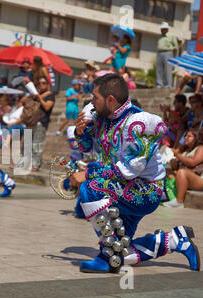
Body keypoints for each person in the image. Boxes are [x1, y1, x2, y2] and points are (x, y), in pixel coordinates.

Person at [69, 73, 199, 273]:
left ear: (110, 100)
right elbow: (87, 148)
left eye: (95, 97)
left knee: (90, 188)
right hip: (121, 188)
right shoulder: (103, 117)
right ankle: (174, 240)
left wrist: (88, 174)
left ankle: (106, 255)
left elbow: (128, 170)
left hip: (145, 191)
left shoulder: (139, 123)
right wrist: (80, 133)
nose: (91, 101)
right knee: (122, 255)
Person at [21, 75, 55, 172]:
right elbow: (22, 101)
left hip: (41, 122)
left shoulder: (50, 95)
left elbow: (47, 107)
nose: (41, 85)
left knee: (37, 144)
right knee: (26, 144)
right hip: (31, 121)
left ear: (48, 85)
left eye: (43, 83)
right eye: (39, 83)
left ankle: (35, 165)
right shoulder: (34, 95)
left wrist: (39, 97)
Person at [162, 129, 203, 208]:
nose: (186, 138)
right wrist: (172, 159)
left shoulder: (201, 148)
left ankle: (179, 201)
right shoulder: (185, 150)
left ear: (196, 138)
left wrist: (177, 154)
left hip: (199, 179)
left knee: (182, 172)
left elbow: (192, 162)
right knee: (166, 171)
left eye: (189, 136)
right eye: (185, 136)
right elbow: (175, 167)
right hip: (185, 177)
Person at [156, 22, 179, 89]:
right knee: (159, 69)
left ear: (167, 29)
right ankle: (159, 84)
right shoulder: (159, 36)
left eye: (164, 29)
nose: (162, 30)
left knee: (168, 69)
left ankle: (168, 84)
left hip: (168, 53)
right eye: (162, 29)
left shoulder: (171, 36)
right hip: (160, 53)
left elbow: (175, 47)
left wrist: (174, 57)